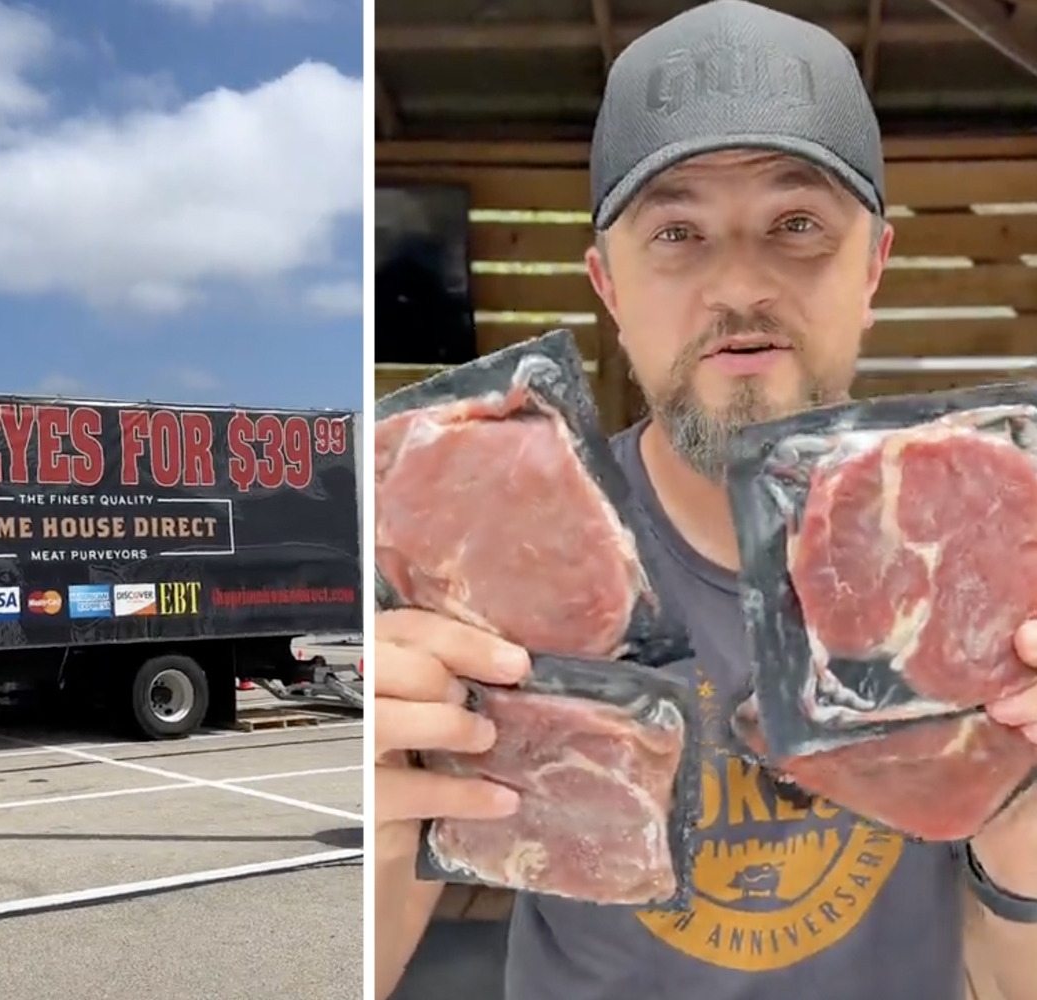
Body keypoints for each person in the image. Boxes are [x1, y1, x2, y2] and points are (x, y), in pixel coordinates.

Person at [374, 2, 1037, 998]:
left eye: (797, 223)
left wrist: (1020, 828)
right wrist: (372, 817)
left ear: (874, 267)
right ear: (606, 283)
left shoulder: (988, 551)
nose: (738, 282)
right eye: (676, 230)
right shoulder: (477, 548)